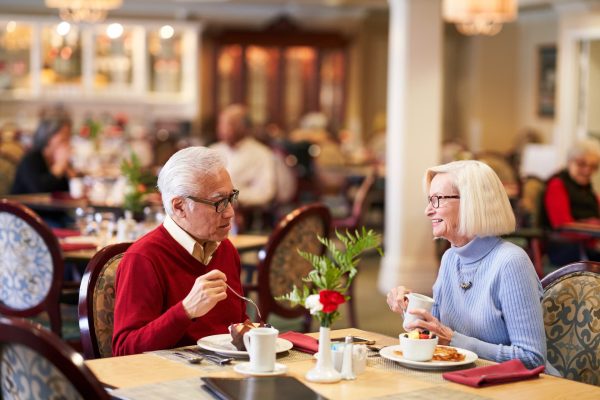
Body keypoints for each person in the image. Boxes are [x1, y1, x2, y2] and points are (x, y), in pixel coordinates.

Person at [386, 160, 548, 370]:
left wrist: (453, 340)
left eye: (437, 200)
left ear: (472, 202)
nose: (428, 211)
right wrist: (409, 307)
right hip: (462, 381)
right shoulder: (450, 258)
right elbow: (436, 333)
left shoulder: (511, 263)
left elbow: (532, 358)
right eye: (429, 200)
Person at [112, 146, 247, 356]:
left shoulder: (226, 249)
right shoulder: (143, 258)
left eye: (231, 198)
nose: (230, 212)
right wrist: (186, 310)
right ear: (179, 207)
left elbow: (236, 326)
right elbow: (124, 351)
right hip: (170, 380)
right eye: (219, 202)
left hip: (228, 372)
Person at [540, 138, 600, 265]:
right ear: (569, 162)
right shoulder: (557, 185)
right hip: (564, 249)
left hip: (587, 245)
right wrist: (592, 226)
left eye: (593, 166)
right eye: (581, 164)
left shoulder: (587, 189)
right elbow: (563, 226)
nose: (587, 170)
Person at [210, 104, 276, 208]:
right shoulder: (214, 150)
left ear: (244, 127)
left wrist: (232, 198)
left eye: (229, 124)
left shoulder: (261, 153)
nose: (221, 128)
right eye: (221, 123)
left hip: (243, 212)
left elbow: (265, 193)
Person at [11, 115, 74, 195]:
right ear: (48, 136)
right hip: (24, 206)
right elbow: (39, 190)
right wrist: (59, 166)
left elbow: (67, 191)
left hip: (54, 207)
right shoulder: (31, 159)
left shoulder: (56, 161)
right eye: (64, 136)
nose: (67, 141)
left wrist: (68, 171)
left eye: (68, 136)